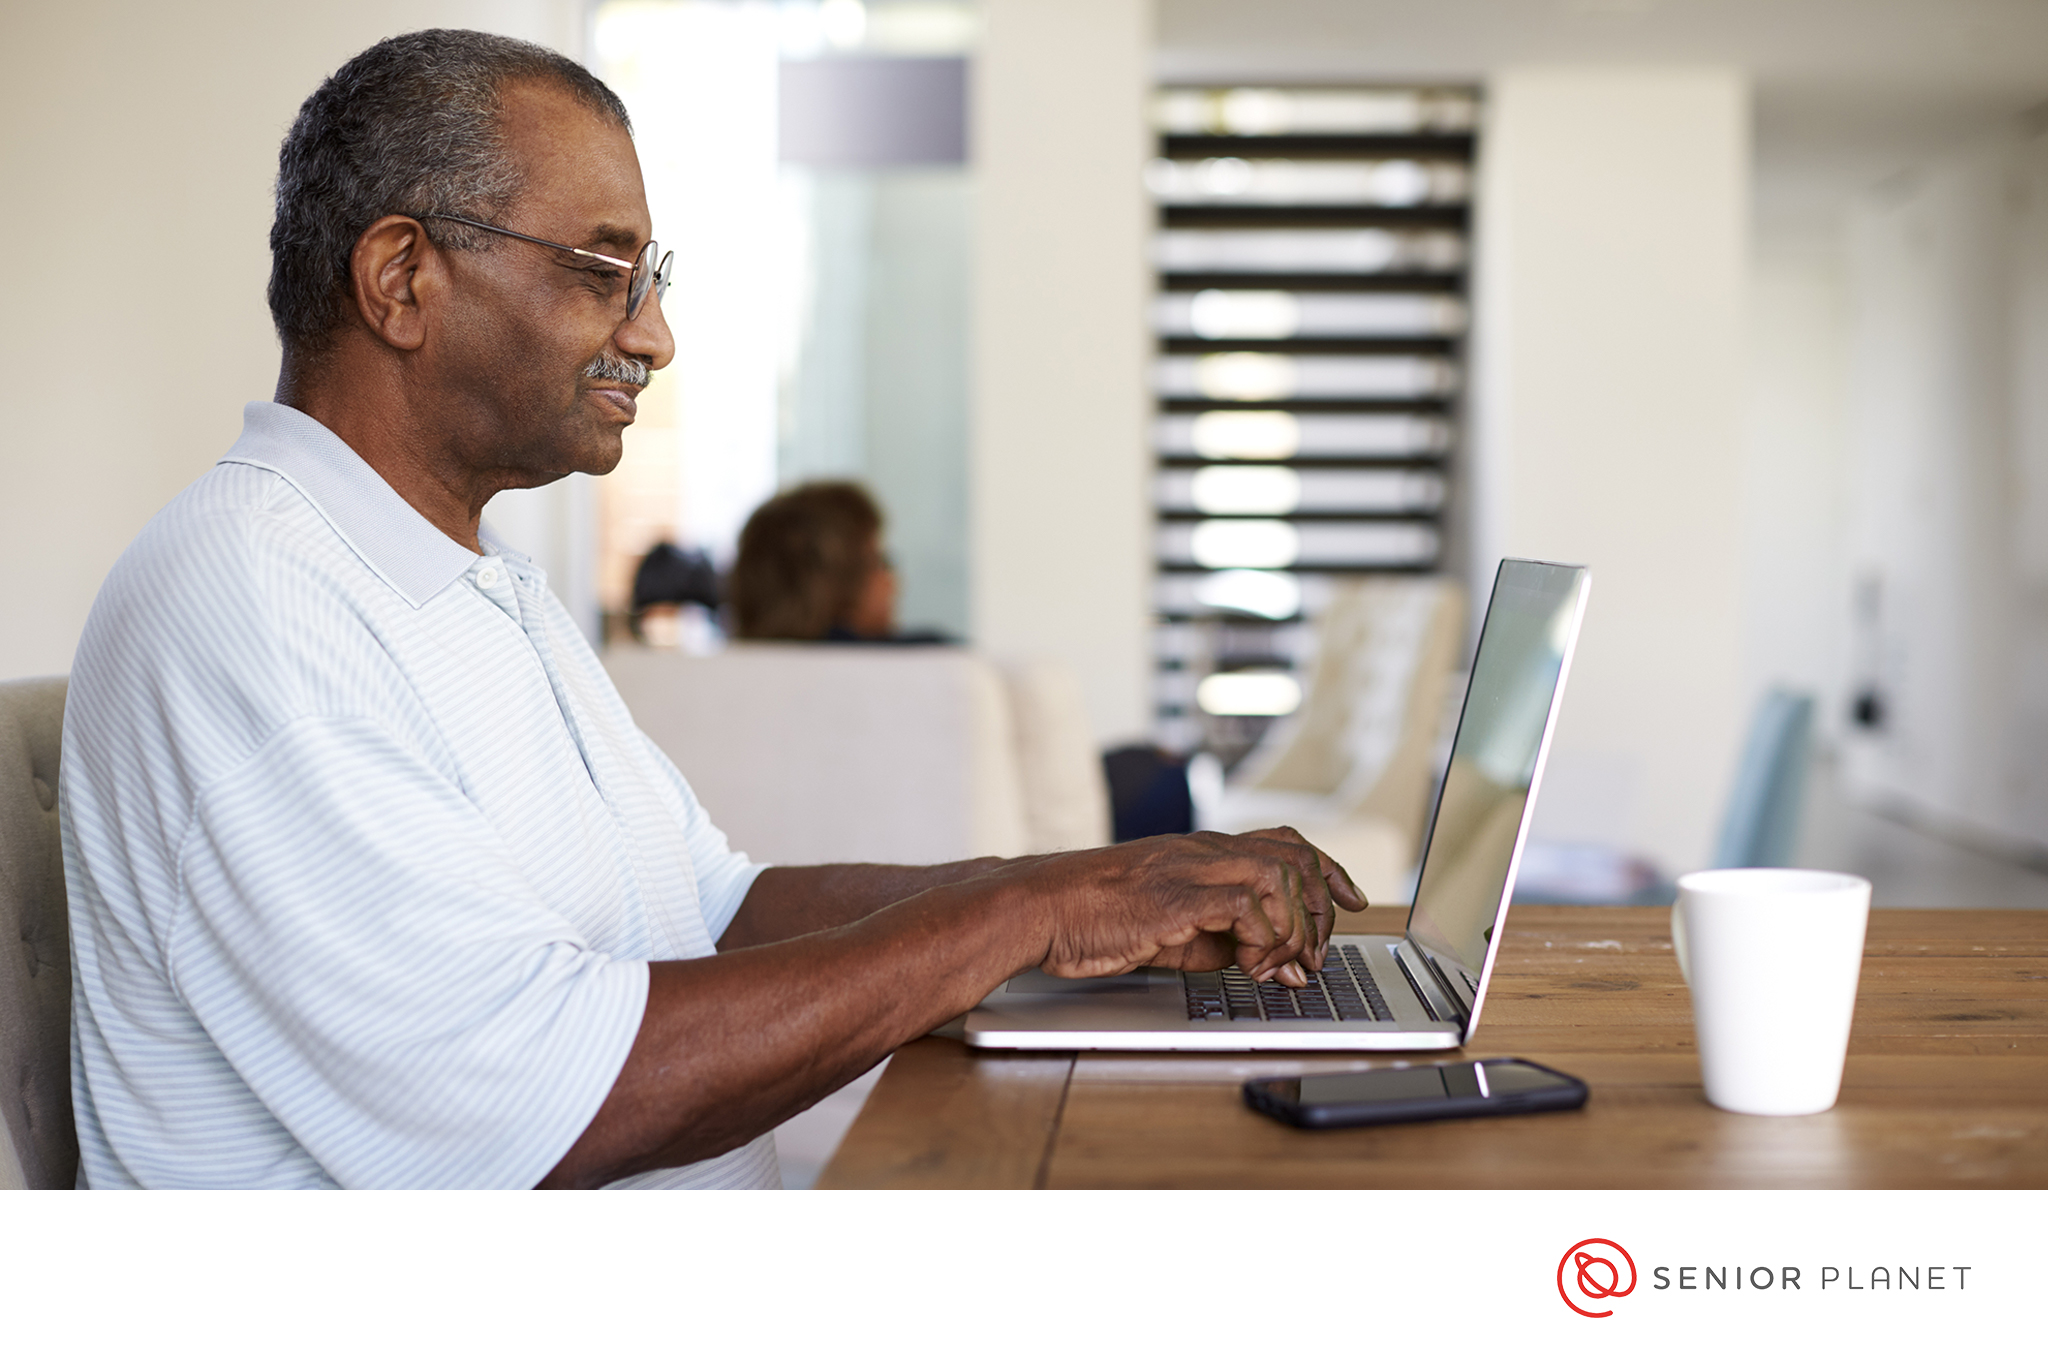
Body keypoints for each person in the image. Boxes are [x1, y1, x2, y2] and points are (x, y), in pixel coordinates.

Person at [60, 29, 1361, 1190]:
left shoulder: (472, 582)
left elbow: (713, 907)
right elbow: (550, 1103)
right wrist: (1019, 920)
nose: (658, 334)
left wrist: (1091, 888)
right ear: (402, 279)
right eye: (602, 271)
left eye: (653, 273)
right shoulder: (249, 603)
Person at [729, 480, 939, 643]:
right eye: (881, 562)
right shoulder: (932, 662)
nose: (892, 581)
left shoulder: (731, 669)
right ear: (843, 579)